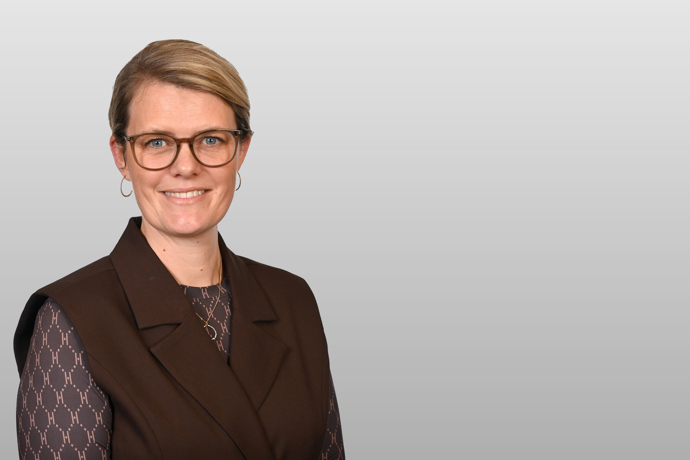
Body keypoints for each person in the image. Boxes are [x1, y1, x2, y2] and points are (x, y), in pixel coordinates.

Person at [14, 39, 344, 460]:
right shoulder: (70, 319)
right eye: (156, 142)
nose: (185, 166)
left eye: (210, 140)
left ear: (241, 150)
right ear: (121, 156)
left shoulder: (293, 299)